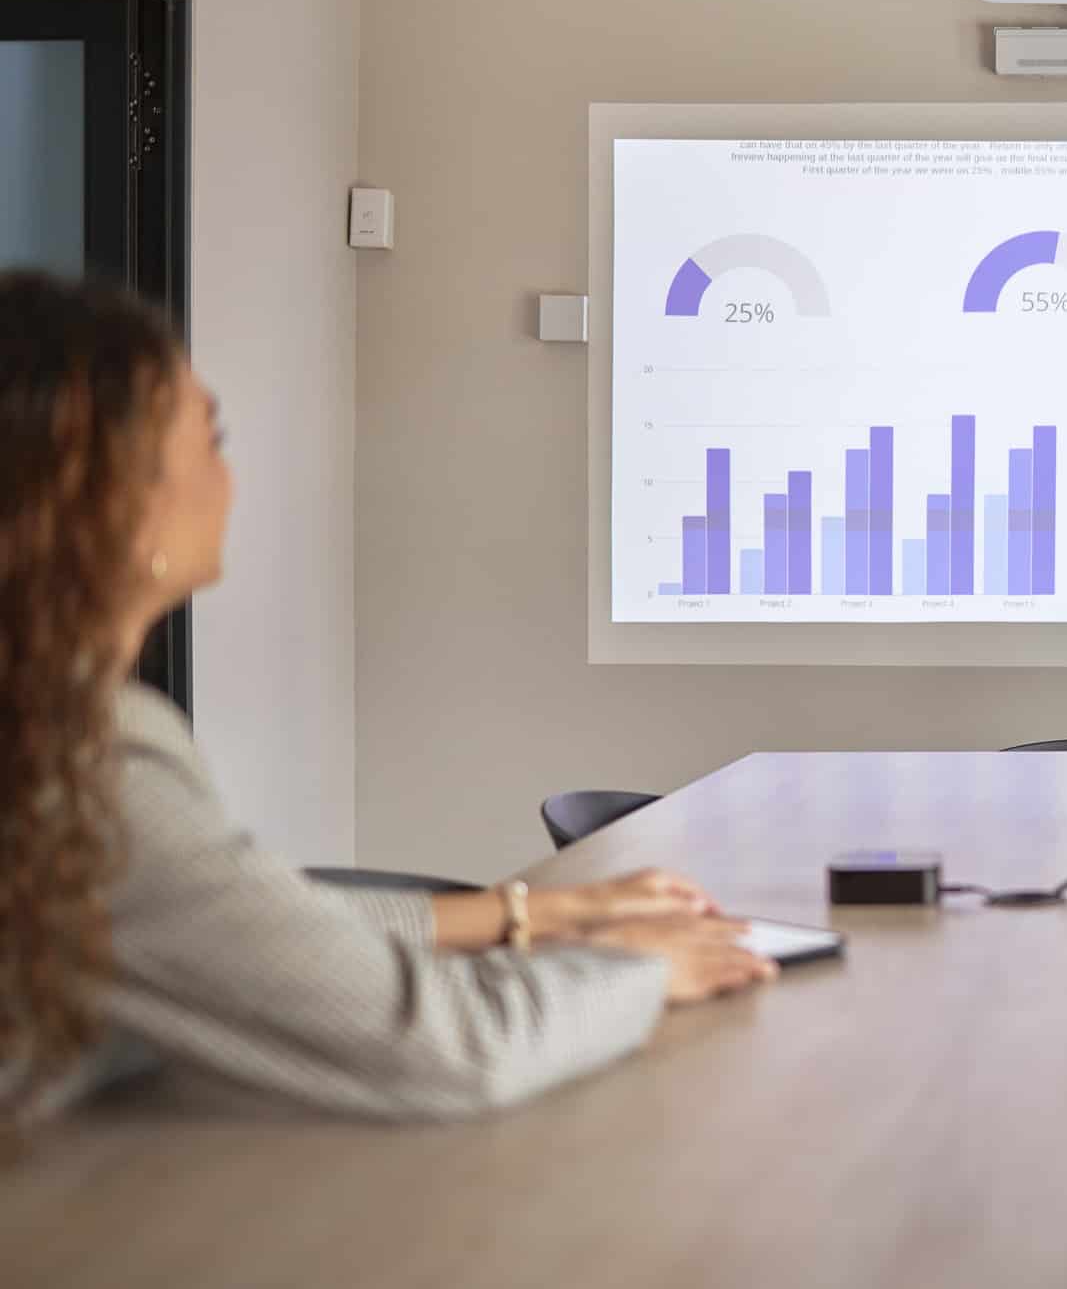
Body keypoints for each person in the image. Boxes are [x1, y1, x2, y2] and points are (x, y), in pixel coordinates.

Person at [0, 271, 776, 1130]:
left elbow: (252, 934)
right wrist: (643, 968)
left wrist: (540, 913)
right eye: (211, 437)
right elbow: (455, 1046)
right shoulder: (82, 761)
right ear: (113, 500)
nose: (231, 475)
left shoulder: (48, 731)